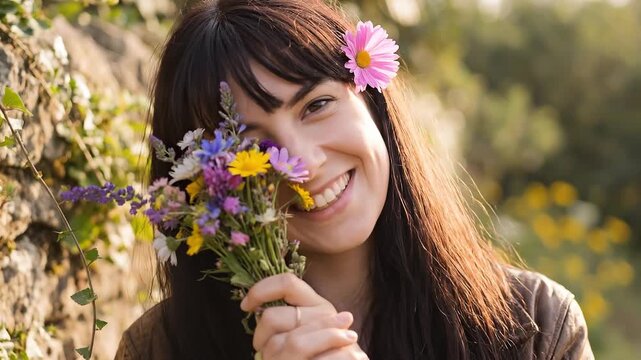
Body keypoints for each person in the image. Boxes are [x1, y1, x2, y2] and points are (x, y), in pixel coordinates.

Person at [115, 0, 594, 359]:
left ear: (373, 103)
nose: (302, 163)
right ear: (203, 183)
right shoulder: (159, 348)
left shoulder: (537, 326)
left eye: (316, 106)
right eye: (250, 147)